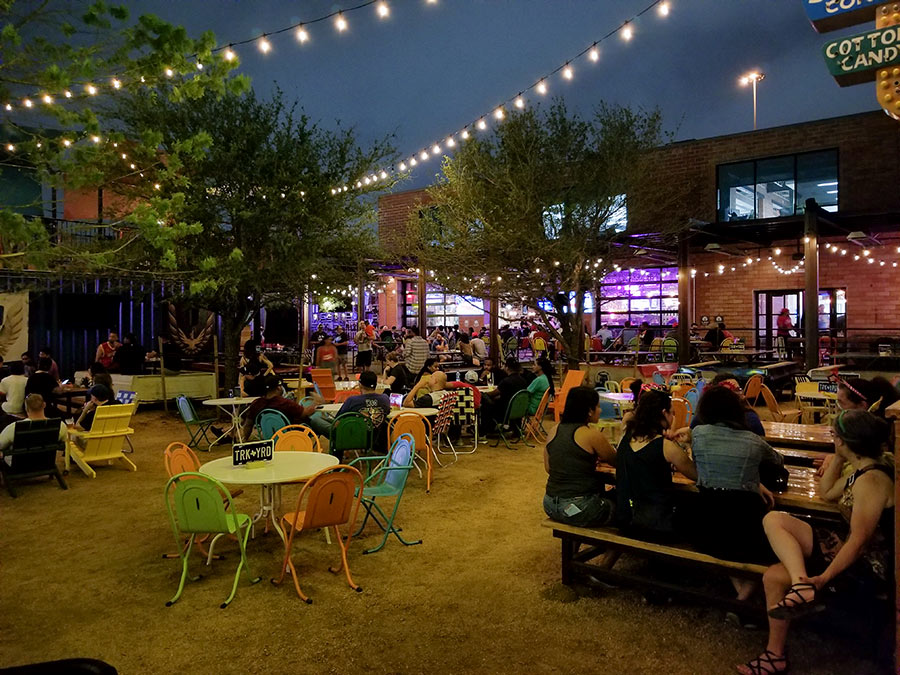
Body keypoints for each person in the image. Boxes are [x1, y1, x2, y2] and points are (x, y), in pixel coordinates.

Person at [737, 410, 894, 675]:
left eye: (835, 436)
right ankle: (798, 590)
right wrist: (836, 457)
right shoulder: (863, 468)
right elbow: (827, 492)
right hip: (843, 545)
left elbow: (859, 543)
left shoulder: (872, 481)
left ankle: (782, 639)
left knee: (774, 574)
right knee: (774, 522)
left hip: (867, 565)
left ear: (845, 440)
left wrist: (822, 579)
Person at [681, 385, 784, 600]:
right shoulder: (753, 441)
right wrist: (753, 480)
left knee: (723, 549)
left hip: (704, 526)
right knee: (766, 545)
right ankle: (744, 596)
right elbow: (777, 460)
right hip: (747, 528)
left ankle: (741, 596)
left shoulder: (698, 434)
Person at [615, 389, 696, 541]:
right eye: (672, 413)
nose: (673, 417)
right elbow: (696, 475)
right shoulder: (666, 447)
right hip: (657, 526)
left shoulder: (625, 440)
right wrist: (691, 443)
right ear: (664, 413)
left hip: (626, 520)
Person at [543, 386, 617, 527]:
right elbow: (617, 461)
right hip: (579, 508)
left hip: (550, 505)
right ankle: (614, 548)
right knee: (621, 505)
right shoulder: (591, 434)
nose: (600, 411)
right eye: (598, 406)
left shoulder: (554, 430)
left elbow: (549, 468)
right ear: (589, 411)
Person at [241, 375, 331, 438]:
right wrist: (316, 403)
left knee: (323, 421)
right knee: (316, 421)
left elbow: (248, 425)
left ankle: (336, 430)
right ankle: (337, 437)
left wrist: (244, 439)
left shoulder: (256, 403)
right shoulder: (284, 403)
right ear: (279, 388)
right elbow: (305, 413)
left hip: (270, 437)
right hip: (294, 433)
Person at [335, 370, 391, 455]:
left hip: (354, 437)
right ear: (376, 384)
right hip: (376, 438)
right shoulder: (385, 399)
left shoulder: (352, 400)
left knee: (319, 421)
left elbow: (337, 421)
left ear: (360, 385)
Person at [690, 373, 765, 436]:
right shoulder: (700, 420)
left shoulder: (750, 419)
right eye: (731, 391)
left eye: (738, 390)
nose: (739, 395)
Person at [0, 394, 67, 455]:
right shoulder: (60, 425)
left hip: (19, 466)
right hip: (46, 465)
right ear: (44, 405)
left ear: (26, 408)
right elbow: (67, 444)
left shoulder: (15, 427)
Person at [481, 357, 528, 431]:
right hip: (519, 410)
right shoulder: (523, 380)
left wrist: (482, 394)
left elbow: (492, 394)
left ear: (507, 367)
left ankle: (484, 430)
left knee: (485, 404)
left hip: (505, 411)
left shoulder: (506, 381)